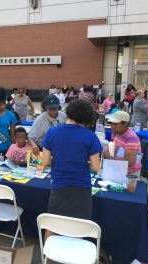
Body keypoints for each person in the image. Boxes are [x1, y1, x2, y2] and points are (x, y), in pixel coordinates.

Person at [41, 99, 101, 233]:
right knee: (80, 227)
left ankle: (49, 253)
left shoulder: (52, 132)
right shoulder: (90, 136)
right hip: (82, 188)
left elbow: (44, 162)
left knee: (53, 225)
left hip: (59, 185)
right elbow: (96, 167)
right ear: (87, 117)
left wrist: (59, 159)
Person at [104, 111, 142, 177]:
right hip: (118, 169)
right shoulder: (117, 133)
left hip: (128, 173)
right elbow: (111, 149)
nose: (112, 126)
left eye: (115, 124)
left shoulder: (131, 138)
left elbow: (129, 162)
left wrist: (110, 158)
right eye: (111, 124)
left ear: (124, 124)